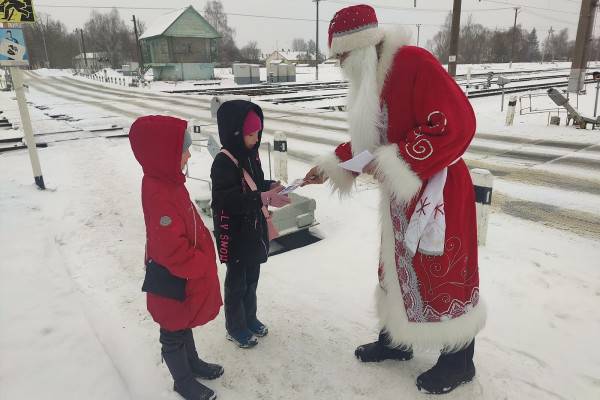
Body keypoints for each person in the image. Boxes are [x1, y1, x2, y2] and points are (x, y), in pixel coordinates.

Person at [303, 4, 486, 395]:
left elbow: (458, 123)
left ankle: (459, 360)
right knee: (396, 269)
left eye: (342, 56)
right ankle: (397, 341)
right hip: (401, 196)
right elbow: (371, 141)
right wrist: (335, 164)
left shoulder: (415, 63)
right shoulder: (373, 75)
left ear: (364, 47)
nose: (339, 64)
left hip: (439, 191)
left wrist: (395, 158)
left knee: (443, 273)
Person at [130, 115, 223, 400]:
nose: (189, 153)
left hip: (181, 276)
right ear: (164, 153)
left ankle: (192, 363)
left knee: (182, 322)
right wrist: (202, 262)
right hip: (172, 278)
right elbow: (170, 249)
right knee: (172, 330)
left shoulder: (168, 180)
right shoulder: (159, 192)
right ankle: (183, 382)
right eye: (184, 148)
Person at [211, 100, 290, 349]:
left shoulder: (250, 155)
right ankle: (235, 327)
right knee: (237, 283)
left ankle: (250, 317)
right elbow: (228, 199)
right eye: (250, 134)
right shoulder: (224, 162)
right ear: (234, 133)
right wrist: (263, 197)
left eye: (258, 133)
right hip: (234, 234)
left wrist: (269, 186)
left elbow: (253, 183)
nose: (255, 139)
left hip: (252, 230)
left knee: (252, 278)